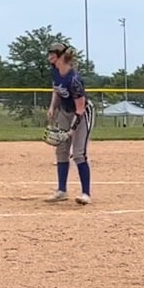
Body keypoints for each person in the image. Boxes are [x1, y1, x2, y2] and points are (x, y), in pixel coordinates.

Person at [45, 42, 94, 205]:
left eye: (53, 54)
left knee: (79, 153)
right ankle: (61, 191)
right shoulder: (55, 71)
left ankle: (86, 194)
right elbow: (56, 89)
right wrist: (52, 107)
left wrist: (72, 131)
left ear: (61, 57)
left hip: (82, 114)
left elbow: (80, 109)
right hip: (64, 112)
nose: (50, 57)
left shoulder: (74, 80)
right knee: (61, 150)